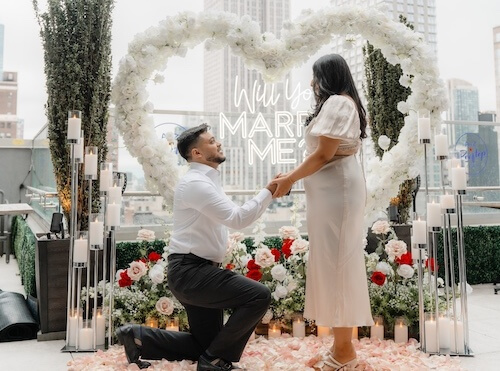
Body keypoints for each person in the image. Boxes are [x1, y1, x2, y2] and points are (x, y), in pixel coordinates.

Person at [116, 124, 278, 370]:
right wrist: (269, 191)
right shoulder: (195, 184)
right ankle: (213, 362)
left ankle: (139, 337)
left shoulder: (206, 182)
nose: (219, 143)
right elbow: (238, 219)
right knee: (259, 295)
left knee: (206, 344)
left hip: (195, 272)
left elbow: (231, 217)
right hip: (192, 272)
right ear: (197, 154)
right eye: (212, 141)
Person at [271, 54, 374, 370]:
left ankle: (345, 353)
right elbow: (324, 154)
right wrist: (290, 176)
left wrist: (290, 178)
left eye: (315, 77)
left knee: (339, 265)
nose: (312, 83)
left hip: (338, 193)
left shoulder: (338, 104)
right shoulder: (340, 103)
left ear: (328, 77)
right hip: (332, 193)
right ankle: (340, 347)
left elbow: (324, 153)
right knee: (333, 264)